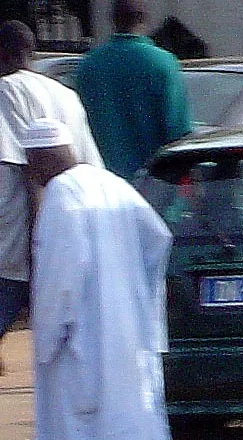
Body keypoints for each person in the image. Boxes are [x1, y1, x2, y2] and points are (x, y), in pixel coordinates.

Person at [24, 118, 173, 440]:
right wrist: (143, 306)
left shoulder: (61, 195)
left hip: (82, 343)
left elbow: (57, 279)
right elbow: (159, 237)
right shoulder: (112, 184)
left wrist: (46, 341)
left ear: (37, 158)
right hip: (130, 337)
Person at [0, 19, 103, 375]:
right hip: (71, 228)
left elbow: (28, 172)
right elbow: (88, 164)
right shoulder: (65, 94)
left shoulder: (8, 90)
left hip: (22, 239)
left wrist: (35, 247)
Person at [76, 0, 192, 179]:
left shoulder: (88, 66)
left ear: (112, 20)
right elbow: (178, 132)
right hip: (155, 184)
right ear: (144, 18)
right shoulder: (164, 63)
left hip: (101, 183)